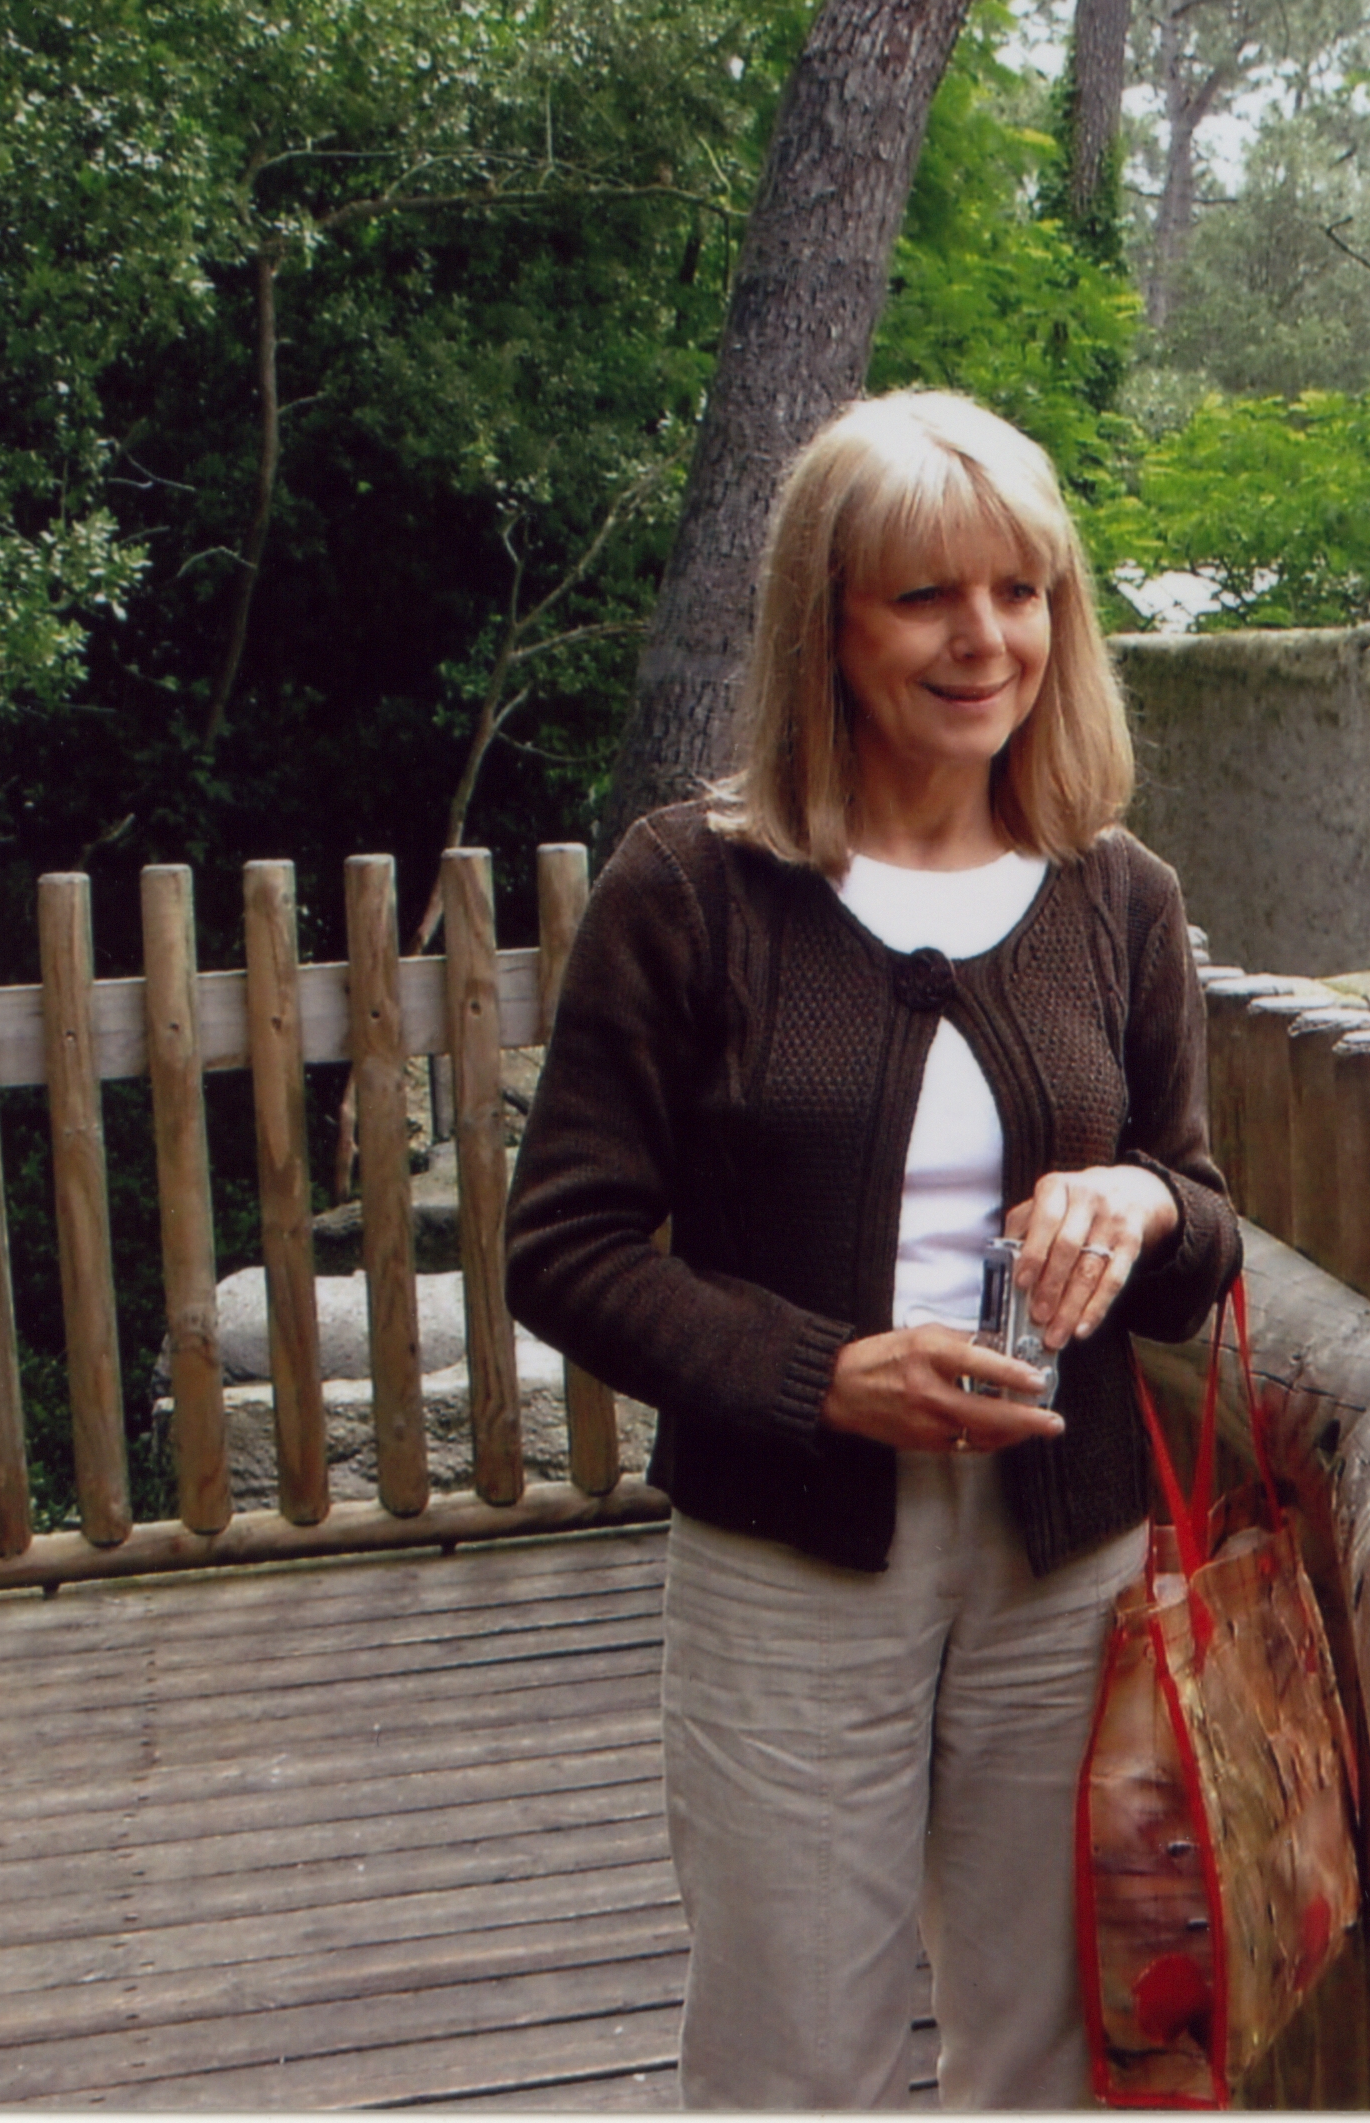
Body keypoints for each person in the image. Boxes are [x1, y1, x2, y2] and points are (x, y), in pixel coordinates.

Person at [503, 388, 1241, 2111]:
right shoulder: (692, 889)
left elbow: (1202, 1228)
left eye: (1023, 589)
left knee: (1051, 2040)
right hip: (790, 1562)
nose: (986, 639)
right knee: (790, 2051)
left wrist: (1136, 1204)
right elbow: (566, 1243)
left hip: (1069, 1554)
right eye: (925, 596)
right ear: (824, 623)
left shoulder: (1114, 894)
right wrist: (819, 1375)